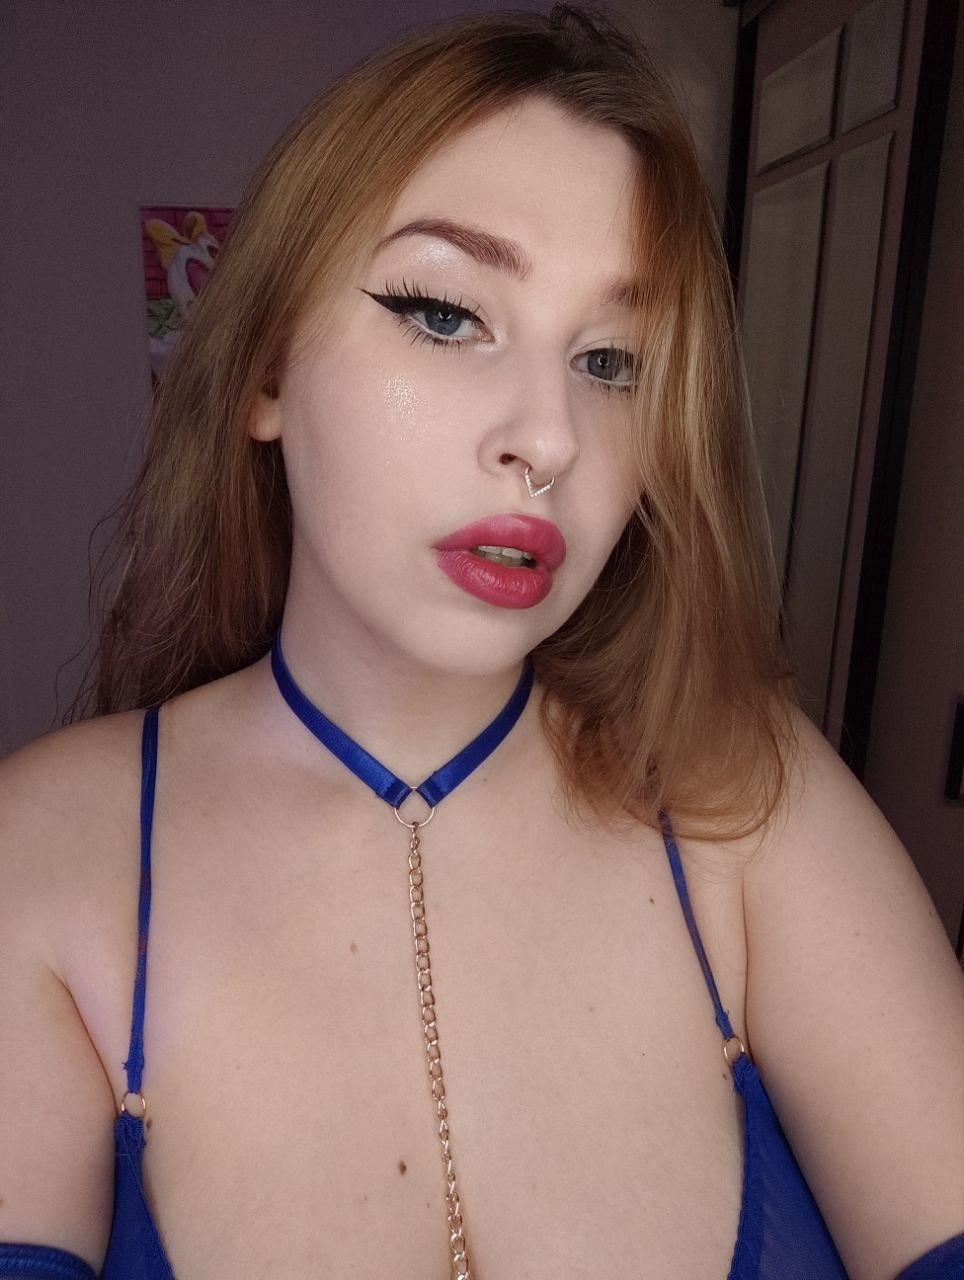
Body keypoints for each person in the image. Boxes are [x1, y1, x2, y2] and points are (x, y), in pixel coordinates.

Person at [1, 5, 962, 1279]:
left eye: (612, 360)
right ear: (266, 373)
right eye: (446, 314)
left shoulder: (746, 797)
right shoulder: (44, 858)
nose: (549, 436)